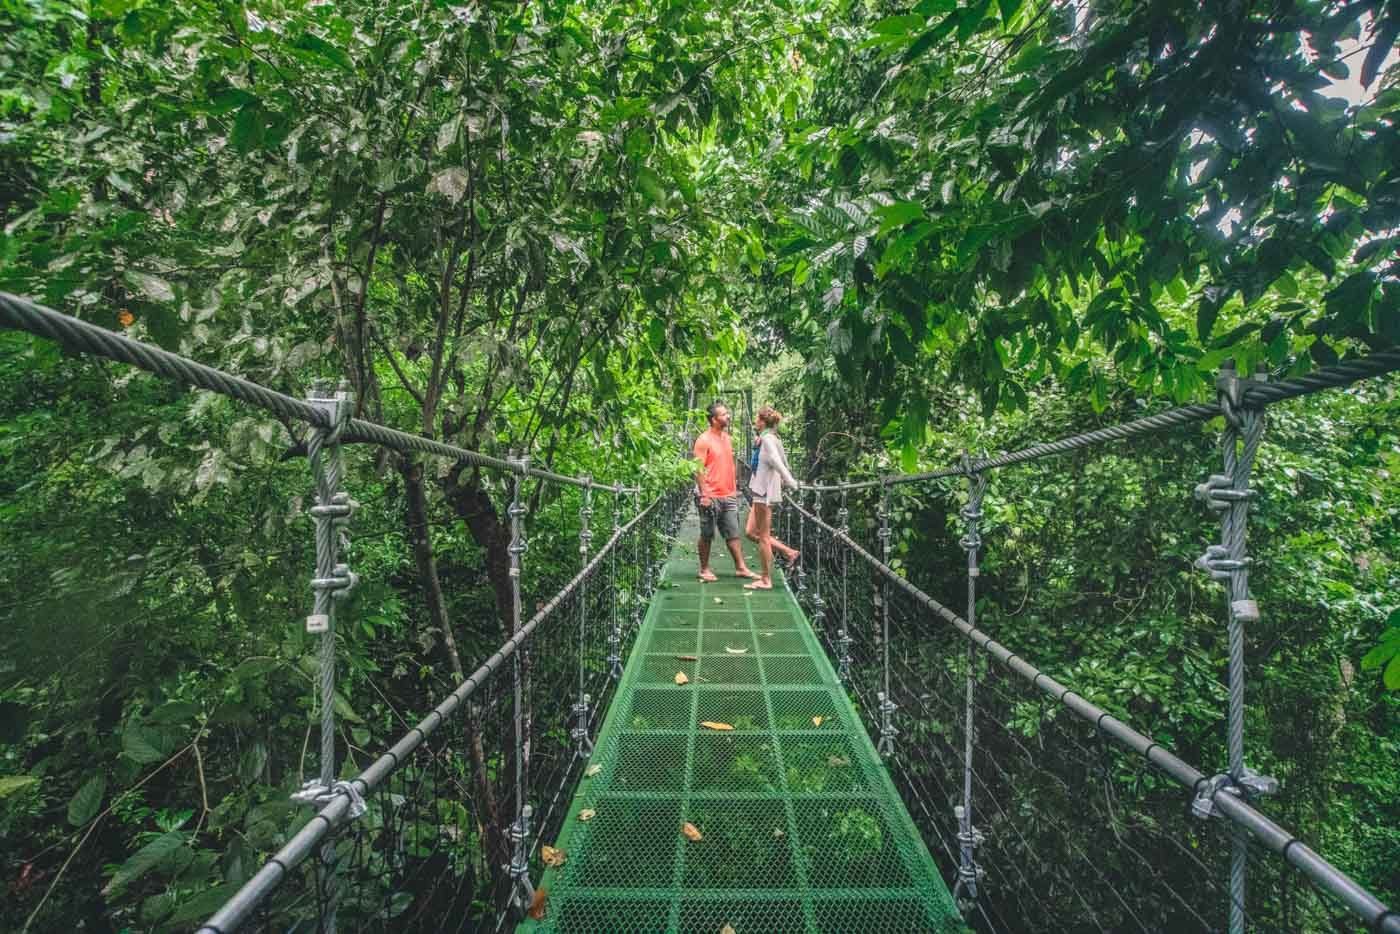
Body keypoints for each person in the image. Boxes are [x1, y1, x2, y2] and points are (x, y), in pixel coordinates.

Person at [693, 401, 757, 582]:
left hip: (728, 494)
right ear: (714, 419)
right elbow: (697, 469)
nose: (728, 416)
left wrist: (734, 488)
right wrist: (704, 494)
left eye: (728, 413)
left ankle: (741, 568)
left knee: (733, 532)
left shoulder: (727, 438)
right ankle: (704, 569)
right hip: (710, 495)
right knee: (707, 533)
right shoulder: (703, 440)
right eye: (724, 414)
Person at [745, 405, 801, 590]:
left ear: (762, 421)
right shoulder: (770, 438)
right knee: (751, 532)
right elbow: (783, 459)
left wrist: (790, 480)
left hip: (763, 493)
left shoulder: (768, 439)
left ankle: (766, 579)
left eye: (756, 419)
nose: (754, 422)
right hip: (760, 490)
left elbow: (778, 462)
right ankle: (789, 552)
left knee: (763, 537)